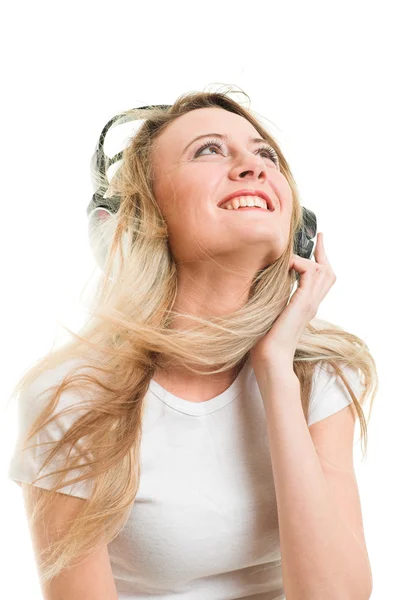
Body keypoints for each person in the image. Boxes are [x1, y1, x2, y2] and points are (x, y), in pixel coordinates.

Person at [7, 87, 377, 599]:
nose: (253, 166)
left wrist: (275, 370)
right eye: (209, 149)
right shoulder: (71, 395)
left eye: (264, 153)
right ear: (142, 218)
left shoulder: (319, 374)